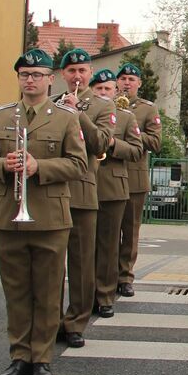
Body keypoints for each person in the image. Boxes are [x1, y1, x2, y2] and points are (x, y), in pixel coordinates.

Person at [0, 48, 87, 375]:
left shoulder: (66, 117)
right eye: (25, 74)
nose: (30, 80)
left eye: (37, 75)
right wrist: (3, 165)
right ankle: (19, 354)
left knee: (48, 290)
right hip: (9, 214)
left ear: (49, 79)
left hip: (50, 216)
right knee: (16, 290)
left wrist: (39, 166)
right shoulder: (1, 116)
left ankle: (42, 356)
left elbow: (79, 164)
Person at [56, 49, 116, 342]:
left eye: (82, 71)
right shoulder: (50, 103)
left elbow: (101, 143)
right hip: (52, 194)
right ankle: (51, 321)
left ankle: (76, 323)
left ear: (90, 74)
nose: (77, 76)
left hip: (82, 191)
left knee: (80, 264)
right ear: (63, 75)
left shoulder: (102, 107)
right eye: (71, 71)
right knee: (52, 264)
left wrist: (77, 113)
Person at [89, 69, 143, 337]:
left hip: (112, 188)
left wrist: (112, 144)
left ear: (115, 92)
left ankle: (105, 295)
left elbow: (136, 150)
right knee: (83, 247)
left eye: (107, 89)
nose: (102, 93)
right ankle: (84, 295)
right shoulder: (79, 116)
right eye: (97, 89)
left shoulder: (125, 117)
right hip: (83, 187)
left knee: (108, 246)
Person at [115, 63, 162, 298]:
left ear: (139, 83)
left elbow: (155, 142)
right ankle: (107, 273)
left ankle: (125, 276)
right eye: (122, 78)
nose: (126, 83)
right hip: (110, 175)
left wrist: (131, 131)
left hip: (134, 177)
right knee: (109, 231)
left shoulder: (147, 109)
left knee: (130, 231)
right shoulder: (107, 106)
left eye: (131, 79)